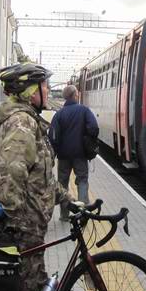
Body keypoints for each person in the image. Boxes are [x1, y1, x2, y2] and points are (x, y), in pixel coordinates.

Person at [0, 62, 75, 291]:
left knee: (31, 283)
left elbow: (41, 178)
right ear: (29, 90)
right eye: (42, 87)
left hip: (30, 222)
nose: (46, 92)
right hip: (22, 225)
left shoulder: (27, 121)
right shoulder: (23, 123)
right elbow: (12, 173)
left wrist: (70, 200)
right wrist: (14, 221)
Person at [47, 84, 98, 219]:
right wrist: (87, 139)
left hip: (63, 156)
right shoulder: (84, 110)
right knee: (82, 180)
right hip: (80, 154)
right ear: (75, 95)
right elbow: (93, 128)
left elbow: (52, 136)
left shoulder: (59, 114)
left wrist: (55, 151)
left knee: (62, 183)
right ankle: (82, 213)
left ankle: (64, 215)